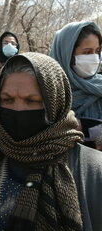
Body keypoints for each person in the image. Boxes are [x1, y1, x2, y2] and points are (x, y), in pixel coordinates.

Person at [0, 52, 102, 231]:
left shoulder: (93, 171)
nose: (18, 110)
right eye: (7, 100)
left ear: (55, 103)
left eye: (31, 101)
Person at [50, 21, 102, 150]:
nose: (94, 58)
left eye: (97, 51)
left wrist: (86, 128)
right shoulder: (49, 92)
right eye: (87, 52)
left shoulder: (99, 85)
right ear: (67, 54)